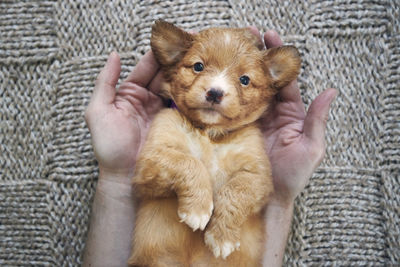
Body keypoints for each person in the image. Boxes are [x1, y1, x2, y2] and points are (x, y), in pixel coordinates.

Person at [83, 29, 337, 267]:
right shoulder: (169, 122)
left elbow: (257, 183)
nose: (217, 88)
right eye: (198, 66)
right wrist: (183, 176)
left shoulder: (252, 138)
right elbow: (149, 172)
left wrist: (263, 204)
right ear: (174, 60)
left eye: (244, 79)